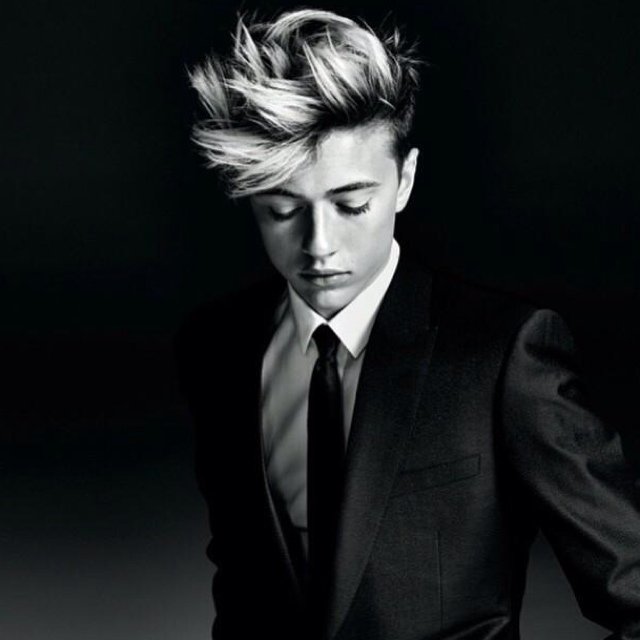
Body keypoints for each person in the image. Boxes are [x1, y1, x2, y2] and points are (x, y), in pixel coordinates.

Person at [175, 9, 640, 640]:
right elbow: (243, 591)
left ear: (405, 181)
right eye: (281, 209)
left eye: (352, 205)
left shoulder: (503, 355)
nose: (319, 245)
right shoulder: (217, 348)